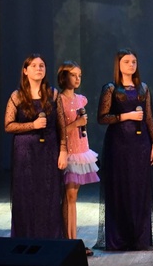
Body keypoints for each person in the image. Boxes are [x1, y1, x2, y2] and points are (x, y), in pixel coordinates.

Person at [96, 49, 153, 251]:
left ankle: (140, 237)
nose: (131, 65)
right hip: (118, 144)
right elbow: (102, 117)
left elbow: (149, 117)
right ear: (118, 64)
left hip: (140, 144)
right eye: (126, 61)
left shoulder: (143, 88)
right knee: (120, 188)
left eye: (134, 61)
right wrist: (126, 116)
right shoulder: (111, 88)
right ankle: (120, 238)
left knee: (139, 188)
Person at [4, 53, 67, 239]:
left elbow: (61, 125)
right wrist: (33, 125)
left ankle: (50, 239)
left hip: (49, 150)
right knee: (26, 194)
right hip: (25, 152)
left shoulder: (53, 94)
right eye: (34, 66)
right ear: (25, 71)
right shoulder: (17, 96)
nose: (39, 69)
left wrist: (63, 150)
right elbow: (8, 125)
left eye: (42, 66)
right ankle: (26, 238)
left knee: (49, 193)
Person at [56, 61, 99, 255]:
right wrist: (77, 123)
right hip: (68, 152)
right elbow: (58, 130)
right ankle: (69, 240)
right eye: (73, 75)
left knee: (73, 196)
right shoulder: (59, 100)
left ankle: (74, 239)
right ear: (64, 76)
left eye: (79, 75)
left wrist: (80, 123)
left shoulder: (81, 99)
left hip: (81, 149)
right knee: (69, 196)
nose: (77, 78)